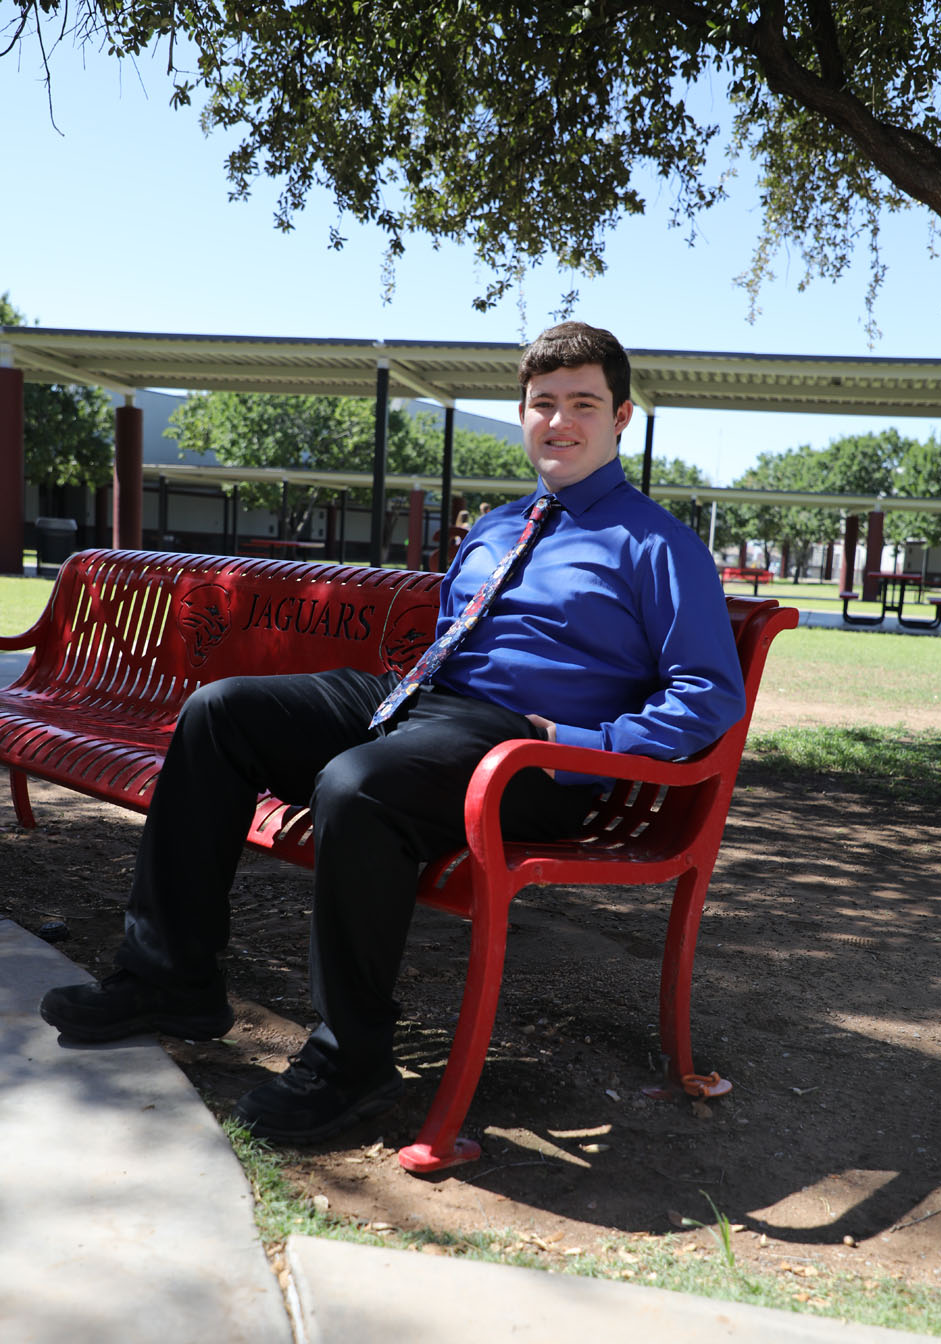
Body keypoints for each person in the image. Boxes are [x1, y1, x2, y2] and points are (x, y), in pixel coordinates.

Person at [40, 321, 746, 1146]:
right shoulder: (497, 526)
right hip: (421, 707)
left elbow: (707, 695)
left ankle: (353, 1058)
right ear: (522, 414)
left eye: (583, 404)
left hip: (531, 756)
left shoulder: (658, 546)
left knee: (359, 785)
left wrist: (586, 743)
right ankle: (170, 978)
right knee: (219, 712)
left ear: (621, 418)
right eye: (543, 403)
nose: (560, 422)